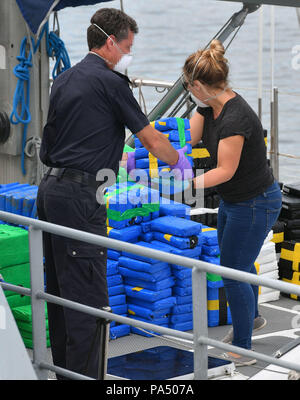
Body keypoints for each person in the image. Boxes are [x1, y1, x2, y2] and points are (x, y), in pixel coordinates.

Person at [37, 7, 192, 379]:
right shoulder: (111, 83)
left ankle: (63, 373)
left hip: (50, 192)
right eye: (127, 46)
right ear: (110, 43)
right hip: (81, 199)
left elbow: (54, 142)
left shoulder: (65, 78)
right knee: (89, 301)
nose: (128, 54)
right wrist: (179, 162)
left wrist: (108, 149)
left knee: (59, 294)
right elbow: (151, 138)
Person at [182, 39, 282, 366]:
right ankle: (251, 318)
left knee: (233, 271)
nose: (188, 91)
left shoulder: (235, 119)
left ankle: (243, 348)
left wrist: (183, 184)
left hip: (256, 202)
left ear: (199, 85)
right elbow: (190, 139)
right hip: (234, 200)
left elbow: (225, 171)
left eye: (188, 86)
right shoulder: (209, 104)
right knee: (234, 263)